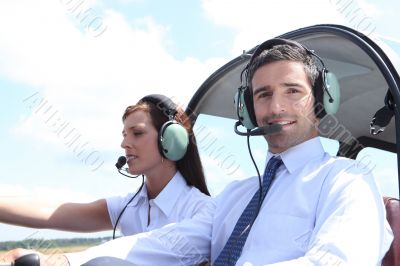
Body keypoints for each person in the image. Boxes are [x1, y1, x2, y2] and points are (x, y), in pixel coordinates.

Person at [2, 39, 393, 266]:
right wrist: (73, 261)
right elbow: (168, 242)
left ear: (323, 99)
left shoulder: (346, 180)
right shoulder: (236, 195)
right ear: (249, 109)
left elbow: (339, 260)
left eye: (293, 91)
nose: (276, 108)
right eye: (263, 95)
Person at [0, 94, 213, 265]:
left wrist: (61, 261)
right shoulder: (131, 206)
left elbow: (144, 247)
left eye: (137, 133)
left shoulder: (203, 212)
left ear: (173, 140)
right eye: (124, 135)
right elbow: (52, 212)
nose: (124, 144)